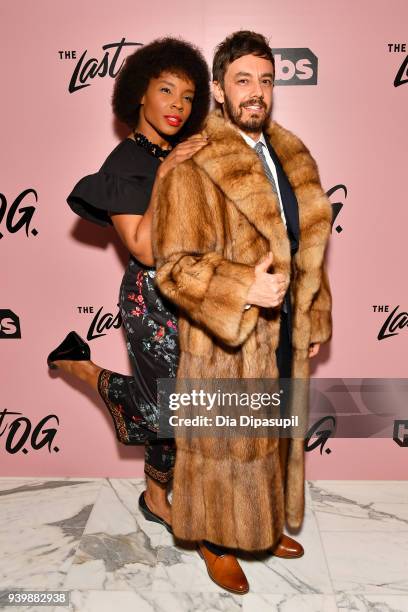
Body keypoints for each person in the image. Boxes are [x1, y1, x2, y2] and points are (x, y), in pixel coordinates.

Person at [153, 30, 333, 594]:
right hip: (225, 335)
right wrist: (239, 288)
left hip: (282, 329)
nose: (257, 92)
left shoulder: (292, 153)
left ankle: (258, 525)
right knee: (224, 439)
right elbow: (174, 266)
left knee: (271, 432)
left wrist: (314, 315)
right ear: (220, 90)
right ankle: (213, 537)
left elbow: (307, 244)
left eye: (266, 80)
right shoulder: (195, 161)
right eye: (243, 81)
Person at [47, 37, 210, 533]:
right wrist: (170, 173)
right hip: (151, 300)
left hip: (194, 293)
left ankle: (157, 495)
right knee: (166, 406)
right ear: (140, 93)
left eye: (187, 96)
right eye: (166, 91)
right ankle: (82, 369)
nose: (177, 106)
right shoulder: (124, 163)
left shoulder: (183, 153)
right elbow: (141, 246)